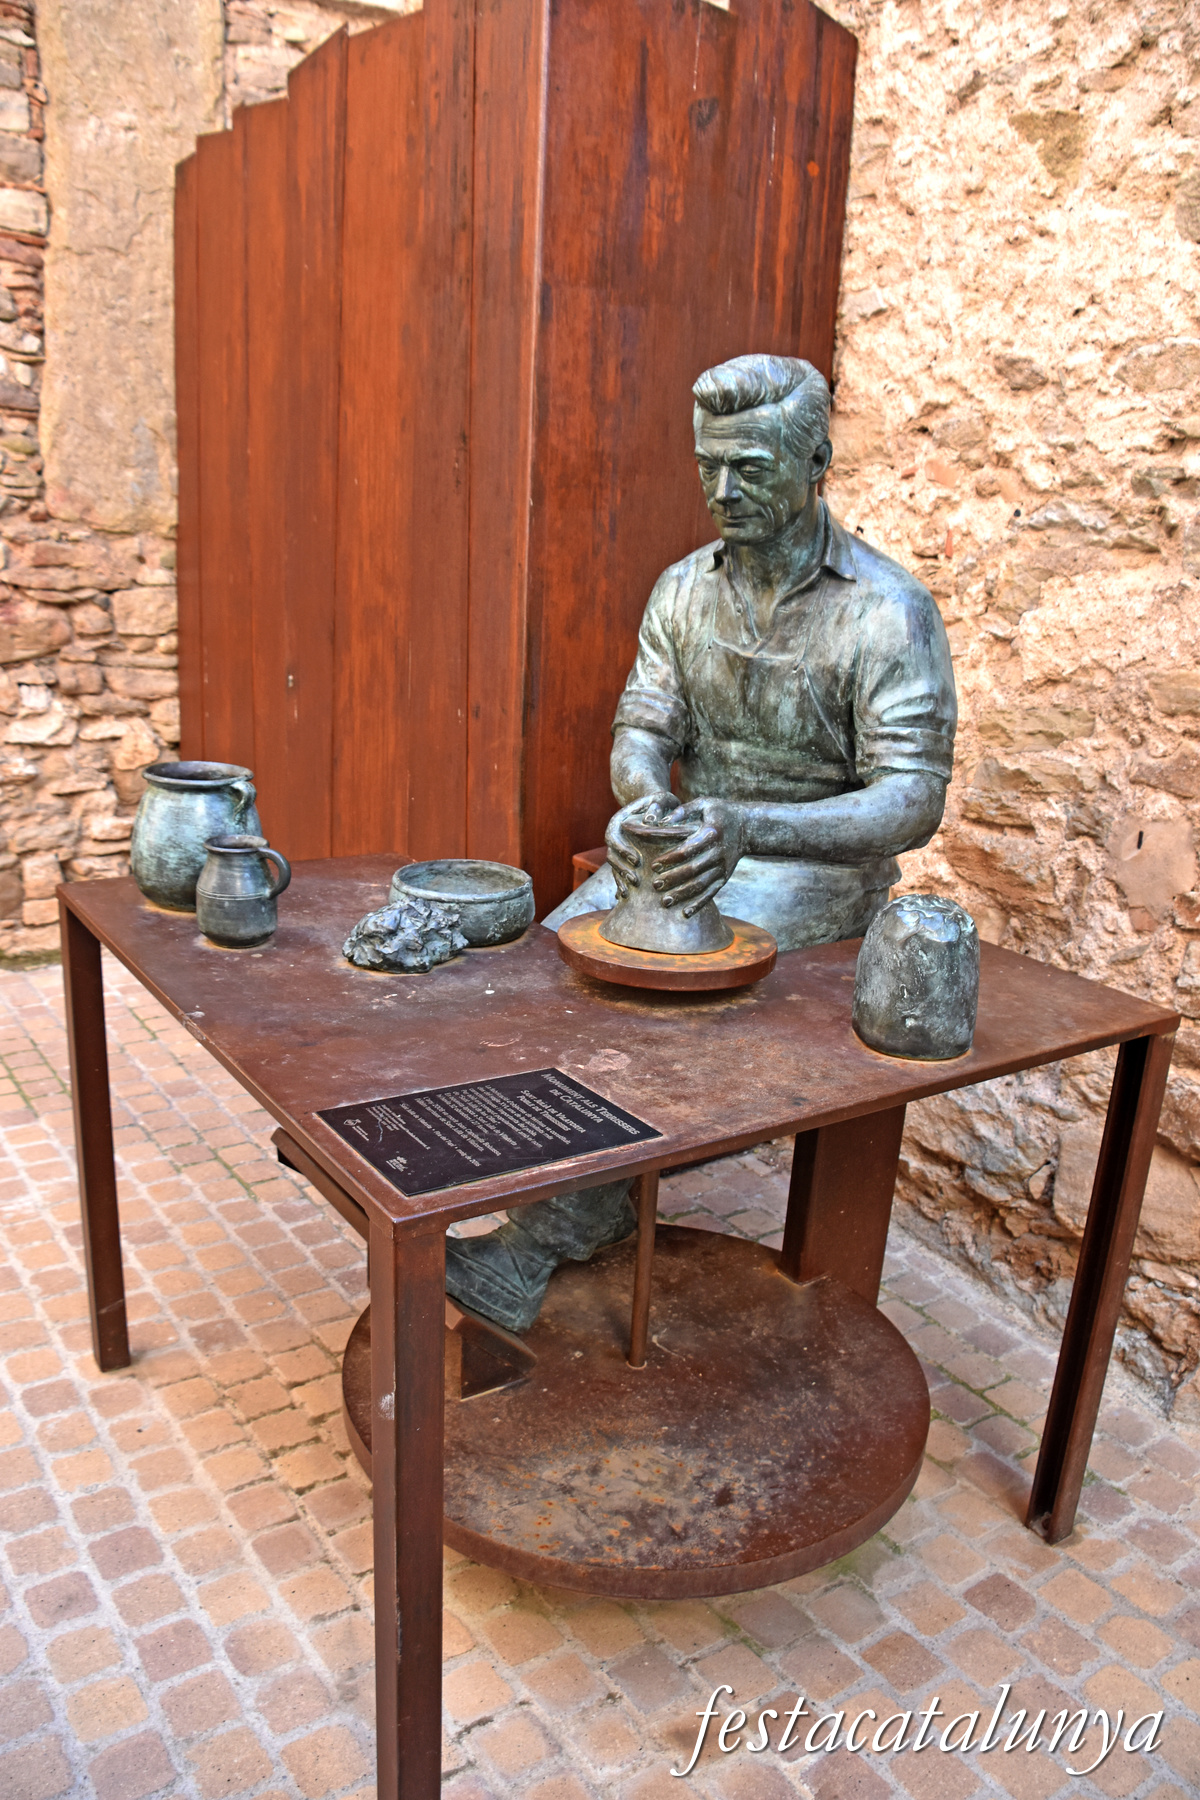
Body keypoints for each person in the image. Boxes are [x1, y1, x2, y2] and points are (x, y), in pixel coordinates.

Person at [445, 352, 957, 1333]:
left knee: (641, 1015)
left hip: (818, 872)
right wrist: (642, 800)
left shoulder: (888, 612)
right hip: (688, 848)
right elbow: (643, 729)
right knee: (545, 969)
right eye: (708, 465)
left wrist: (750, 826)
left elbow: (911, 803)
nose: (723, 491)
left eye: (751, 468)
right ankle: (474, 1169)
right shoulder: (683, 590)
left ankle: (536, 1245)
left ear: (817, 462)